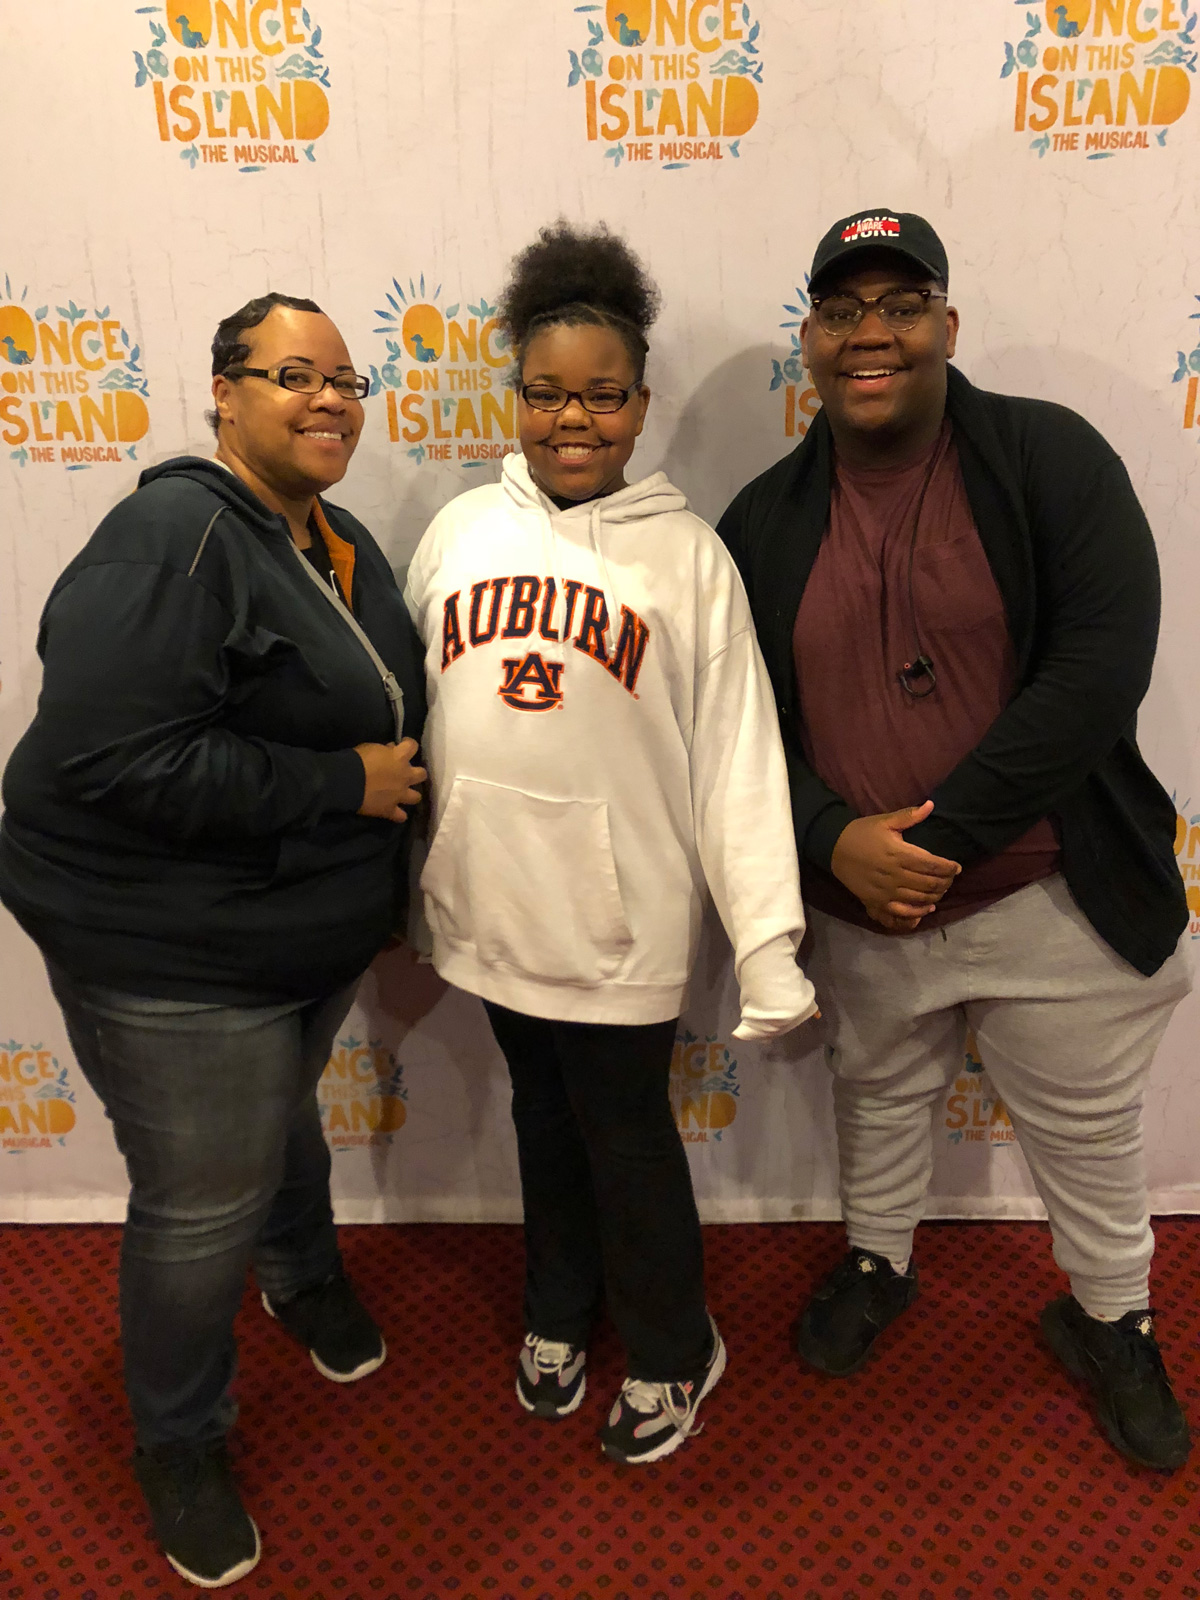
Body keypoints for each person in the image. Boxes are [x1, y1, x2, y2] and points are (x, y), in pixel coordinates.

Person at [717, 208, 1192, 1473]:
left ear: (947, 324)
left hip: (1054, 890)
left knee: (1090, 1135)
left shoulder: (1050, 455)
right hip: (865, 905)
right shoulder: (761, 519)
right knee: (879, 1098)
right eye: (841, 310)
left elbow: (1101, 668)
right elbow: (737, 719)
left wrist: (937, 840)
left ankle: (1113, 1319)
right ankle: (879, 1260)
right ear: (810, 340)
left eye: (900, 303)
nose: (871, 333)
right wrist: (830, 840)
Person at [0, 292, 427, 1586]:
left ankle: (297, 1275)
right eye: (293, 374)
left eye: (347, 379)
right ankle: (179, 1437)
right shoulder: (171, 532)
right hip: (172, 951)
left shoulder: (332, 537)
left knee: (278, 1115)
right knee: (199, 1208)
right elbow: (109, 758)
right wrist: (337, 789)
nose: (329, 399)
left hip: (292, 933)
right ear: (222, 392)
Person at [405, 221, 817, 1465]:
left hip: (622, 920)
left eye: (600, 395)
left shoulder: (689, 559)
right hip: (493, 911)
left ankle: (677, 1343)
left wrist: (767, 943)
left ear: (640, 404)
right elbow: (408, 717)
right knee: (540, 1114)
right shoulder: (459, 534)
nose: (570, 419)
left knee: (627, 1136)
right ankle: (555, 1309)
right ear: (513, 396)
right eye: (544, 393)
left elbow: (740, 758)